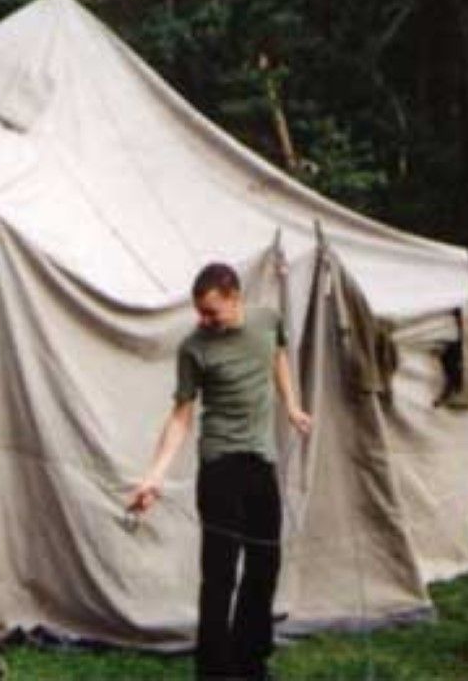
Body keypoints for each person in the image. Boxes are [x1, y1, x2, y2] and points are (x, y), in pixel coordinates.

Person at [128, 262, 311, 681]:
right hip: (220, 467)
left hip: (261, 462)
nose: (204, 321)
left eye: (212, 312)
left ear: (235, 297)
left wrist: (292, 405)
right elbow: (181, 416)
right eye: (200, 312)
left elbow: (277, 356)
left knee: (265, 565)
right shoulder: (193, 348)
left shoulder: (267, 321)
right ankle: (213, 671)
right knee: (220, 573)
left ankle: (251, 662)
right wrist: (154, 476)